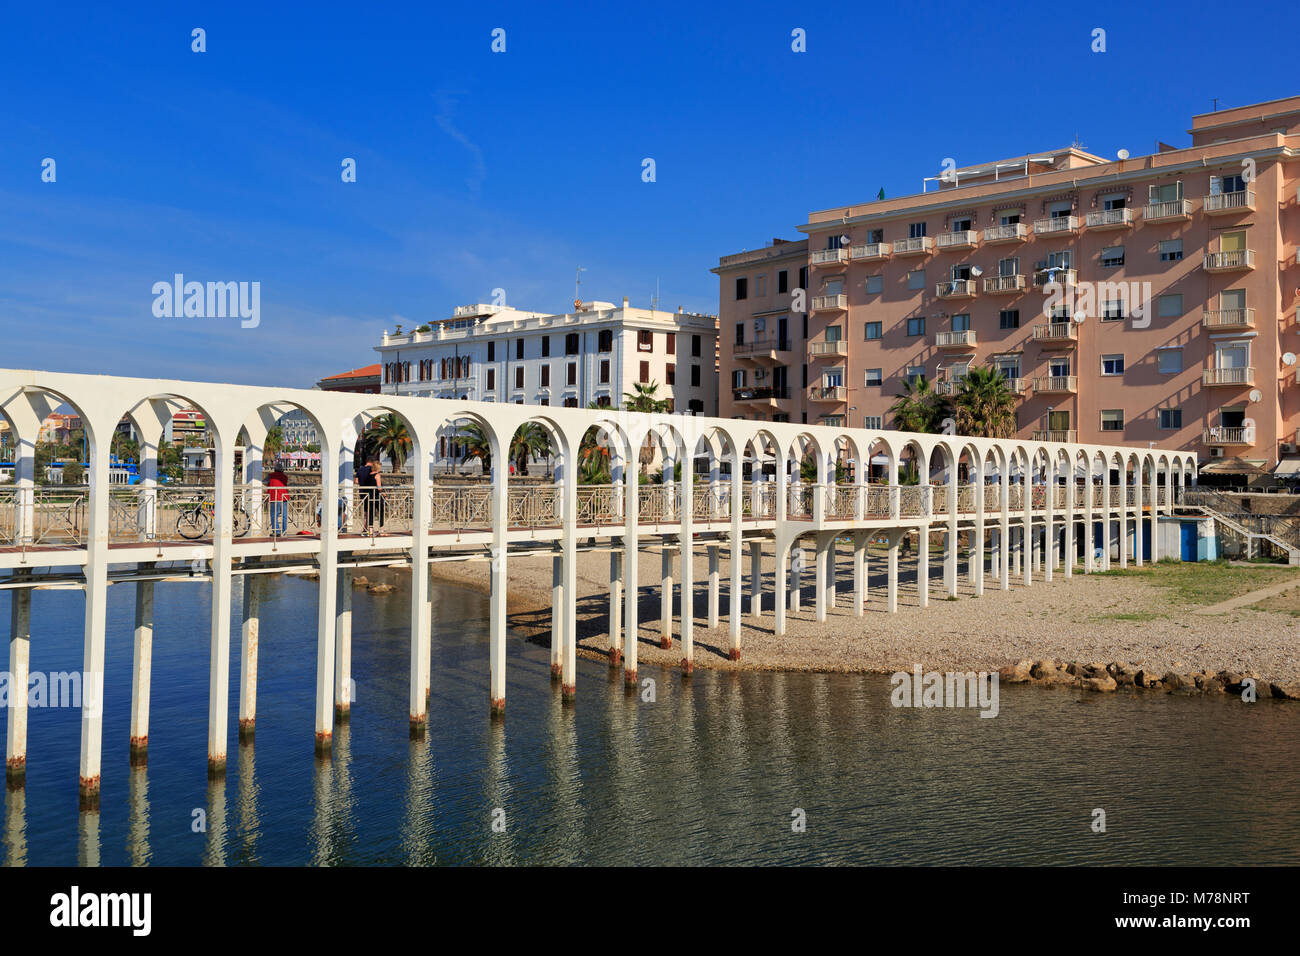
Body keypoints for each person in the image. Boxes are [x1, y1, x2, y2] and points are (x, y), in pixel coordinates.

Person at [359, 456, 384, 531]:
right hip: (376, 496)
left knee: (370, 512)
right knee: (381, 511)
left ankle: (370, 530)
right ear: (378, 468)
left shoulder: (369, 475)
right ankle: (381, 529)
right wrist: (383, 494)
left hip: (369, 496)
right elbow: (379, 488)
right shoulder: (377, 475)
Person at [267, 465, 289, 536]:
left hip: (275, 497)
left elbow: (264, 482)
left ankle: (276, 531)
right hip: (284, 497)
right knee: (284, 515)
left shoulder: (270, 476)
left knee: (274, 515)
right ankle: (284, 531)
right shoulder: (285, 477)